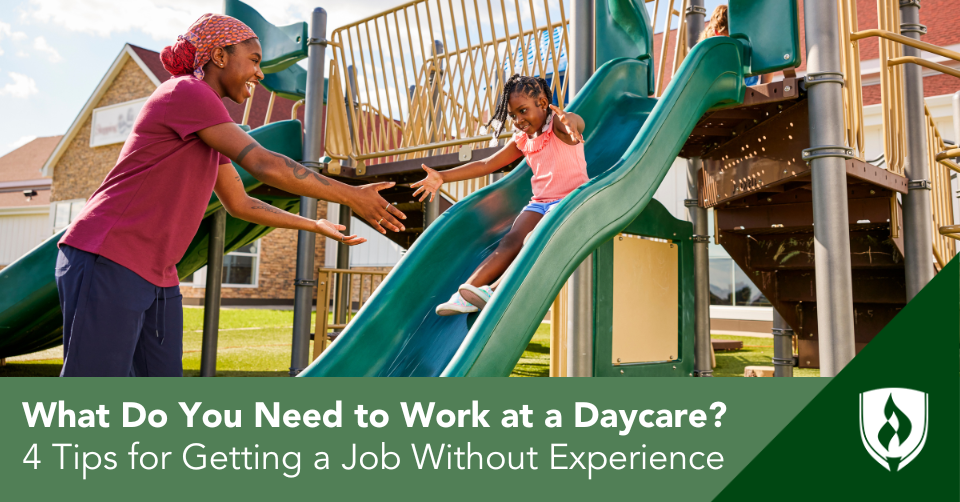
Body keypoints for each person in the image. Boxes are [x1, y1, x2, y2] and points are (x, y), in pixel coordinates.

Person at [55, 14, 407, 377]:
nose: (260, 74)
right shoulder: (187, 92)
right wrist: (350, 195)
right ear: (220, 56)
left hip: (159, 273)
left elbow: (240, 202)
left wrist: (313, 223)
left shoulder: (210, 124)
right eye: (254, 60)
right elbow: (265, 164)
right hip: (109, 254)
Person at [411, 74, 587, 316]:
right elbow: (486, 164)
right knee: (510, 241)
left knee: (534, 239)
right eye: (513, 115)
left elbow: (576, 124)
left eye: (523, 111)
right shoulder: (524, 139)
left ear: (543, 104)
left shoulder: (557, 125)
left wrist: (572, 123)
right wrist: (443, 177)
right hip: (541, 203)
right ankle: (467, 293)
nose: (518, 120)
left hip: (570, 201)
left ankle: (496, 290)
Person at [699, 4, 772, 85]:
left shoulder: (746, 45)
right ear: (718, 33)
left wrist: (764, 85)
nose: (736, 41)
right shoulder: (711, 53)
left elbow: (767, 59)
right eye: (730, 36)